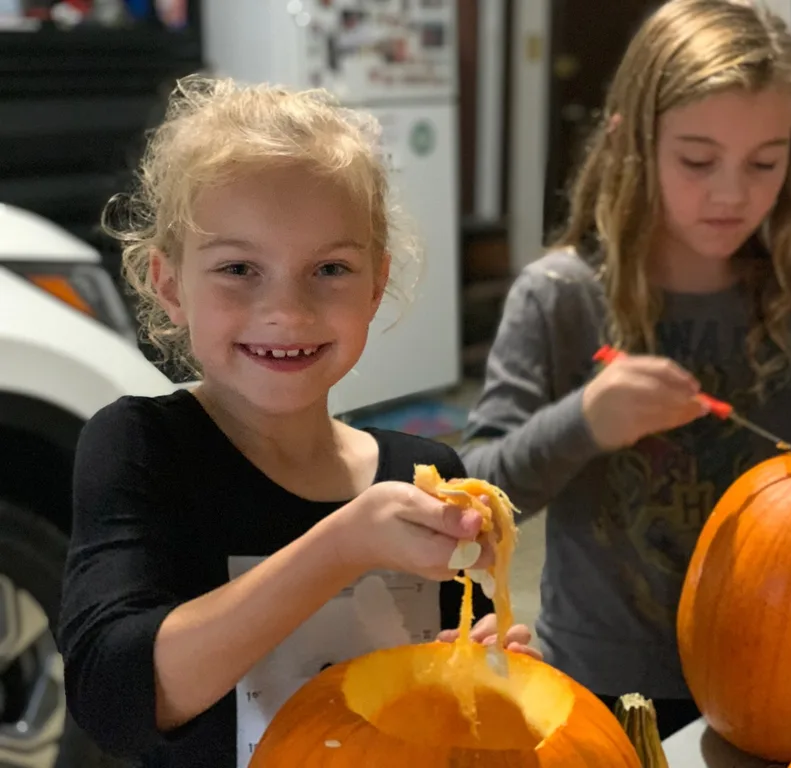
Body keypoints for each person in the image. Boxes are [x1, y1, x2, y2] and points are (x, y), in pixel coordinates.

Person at [459, 0, 791, 741]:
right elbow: (475, 503)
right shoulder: (558, 298)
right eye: (698, 161)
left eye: (765, 162)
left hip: (784, 685)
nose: (733, 193)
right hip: (599, 686)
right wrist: (584, 422)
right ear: (630, 143)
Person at [56, 74, 538, 767]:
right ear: (169, 285)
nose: (287, 310)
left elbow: (432, 713)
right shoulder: (140, 447)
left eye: (331, 268)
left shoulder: (427, 479)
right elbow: (117, 701)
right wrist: (339, 547)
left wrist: (482, 668)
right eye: (239, 268)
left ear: (376, 284)